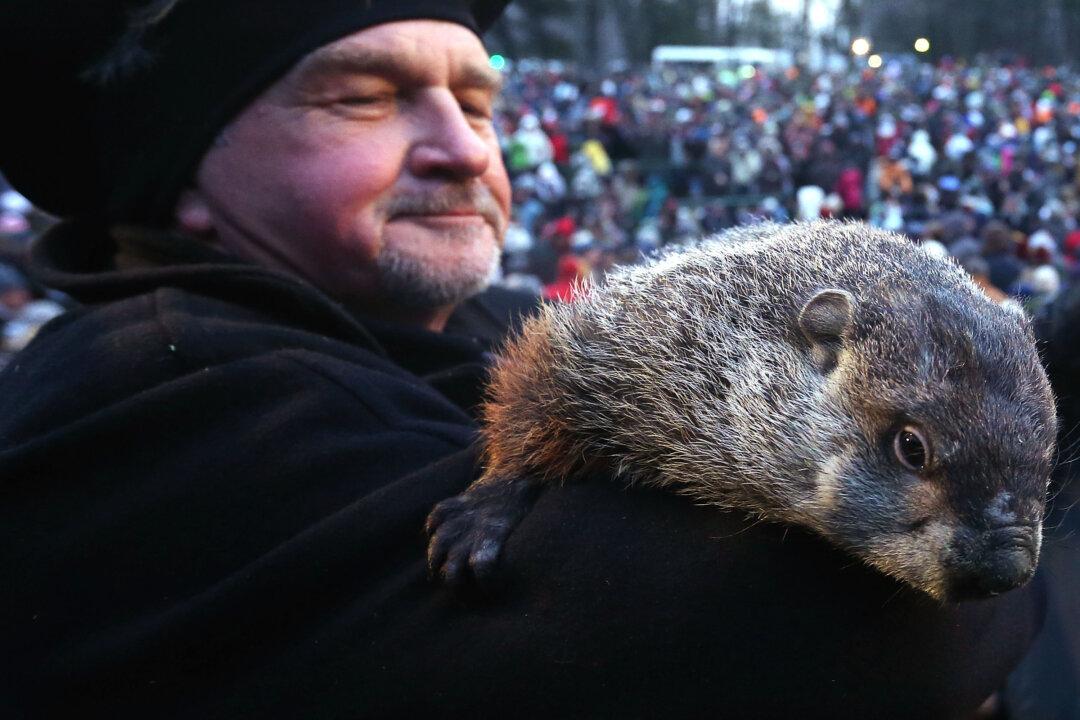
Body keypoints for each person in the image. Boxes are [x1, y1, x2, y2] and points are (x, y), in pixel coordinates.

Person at [0, 2, 1059, 717]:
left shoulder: (469, 322)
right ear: (182, 178)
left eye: (479, 99)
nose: (463, 147)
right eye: (362, 98)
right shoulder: (148, 389)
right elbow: (792, 640)